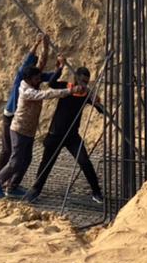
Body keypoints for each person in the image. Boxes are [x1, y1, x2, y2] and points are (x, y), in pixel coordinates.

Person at [24, 66, 106, 205]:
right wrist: (60, 68)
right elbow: (51, 83)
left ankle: (96, 192)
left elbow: (100, 109)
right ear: (75, 78)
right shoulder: (65, 87)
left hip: (72, 137)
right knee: (46, 163)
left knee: (84, 162)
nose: (83, 84)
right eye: (81, 81)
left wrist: (97, 101)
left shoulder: (86, 94)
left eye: (86, 82)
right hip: (55, 134)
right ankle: (36, 190)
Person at [0, 64, 69, 199]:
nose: (39, 81)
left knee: (26, 159)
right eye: (36, 78)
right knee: (16, 161)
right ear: (28, 79)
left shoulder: (33, 84)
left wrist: (59, 68)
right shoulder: (26, 90)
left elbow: (49, 78)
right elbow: (45, 94)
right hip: (19, 130)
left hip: (29, 131)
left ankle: (12, 186)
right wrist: (68, 91)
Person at [0, 34, 61, 180]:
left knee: (21, 156)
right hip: (11, 116)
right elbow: (32, 59)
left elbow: (51, 75)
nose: (39, 75)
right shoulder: (22, 77)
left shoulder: (36, 78)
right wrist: (37, 44)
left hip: (22, 120)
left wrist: (56, 63)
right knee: (8, 150)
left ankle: (9, 182)